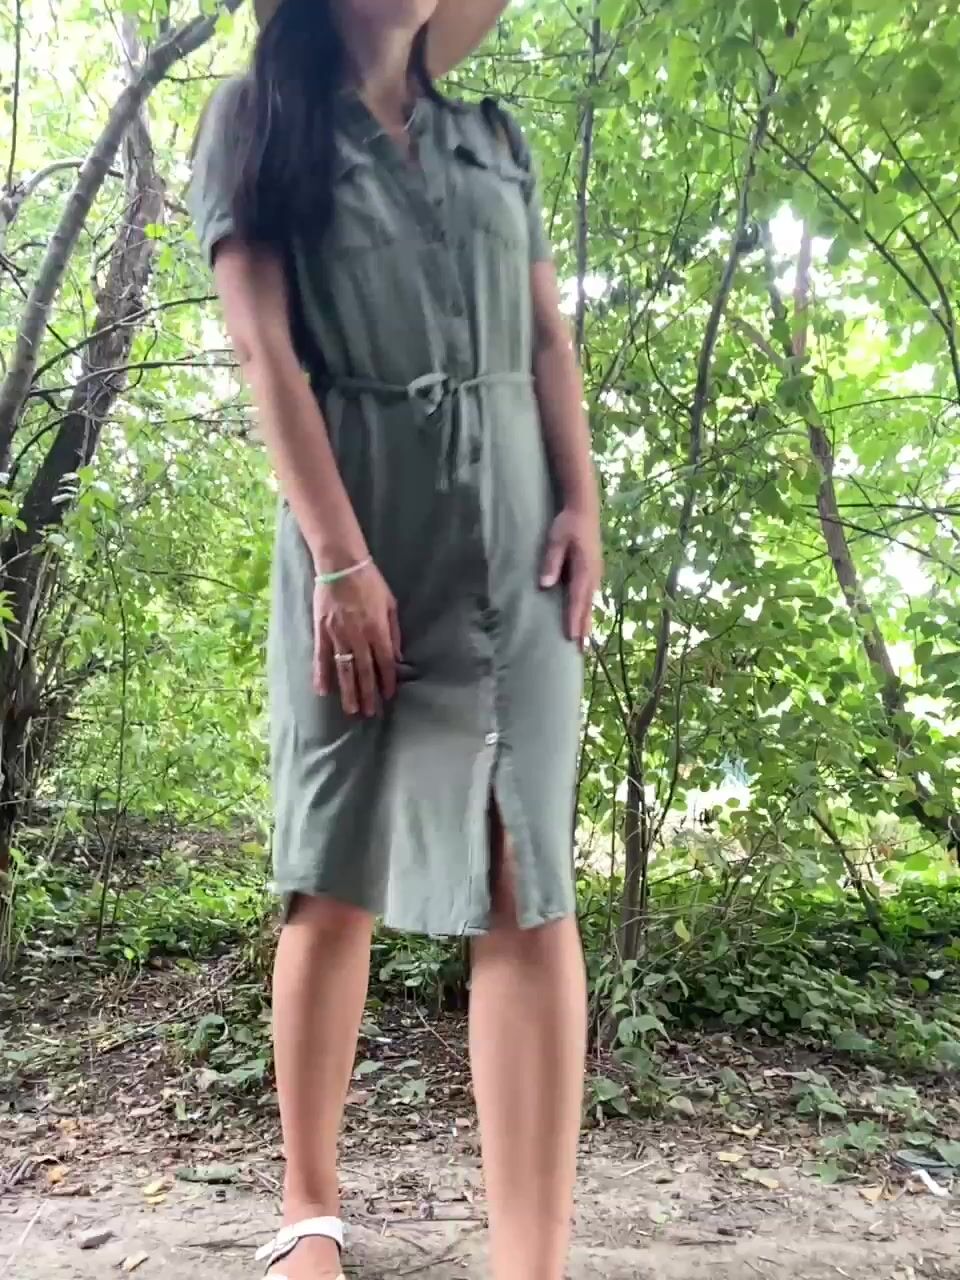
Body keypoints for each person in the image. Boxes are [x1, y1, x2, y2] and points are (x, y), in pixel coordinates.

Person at [188, 1, 602, 1277]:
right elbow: (263, 346)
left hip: (517, 543)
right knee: (334, 863)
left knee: (526, 871)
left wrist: (584, 502)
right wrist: (340, 557)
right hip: (353, 537)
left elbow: (546, 337)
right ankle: (309, 1208)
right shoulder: (258, 121)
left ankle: (530, 1257)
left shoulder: (494, 140)